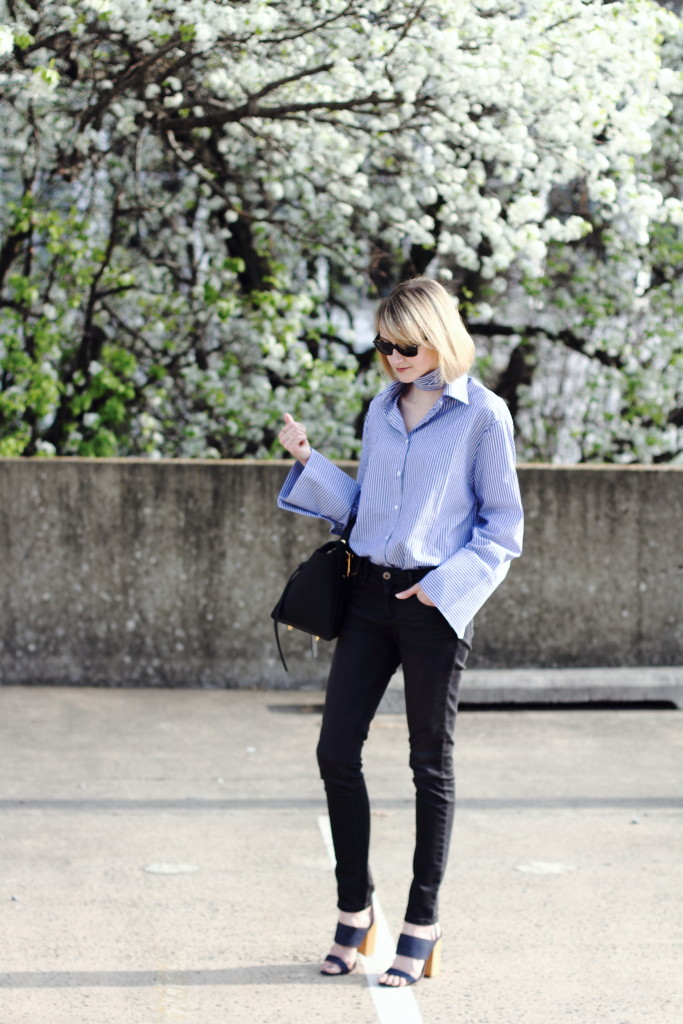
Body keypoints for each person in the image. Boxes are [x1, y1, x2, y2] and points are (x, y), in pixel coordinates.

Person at [276, 276, 523, 987]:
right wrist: (308, 462)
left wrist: (441, 589)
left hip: (432, 605)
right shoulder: (380, 411)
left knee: (428, 763)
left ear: (437, 337)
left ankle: (422, 920)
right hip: (365, 595)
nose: (392, 359)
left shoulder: (483, 416)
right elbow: (363, 511)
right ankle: (354, 910)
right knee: (335, 750)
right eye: (382, 346)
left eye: (405, 345)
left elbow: (502, 530)